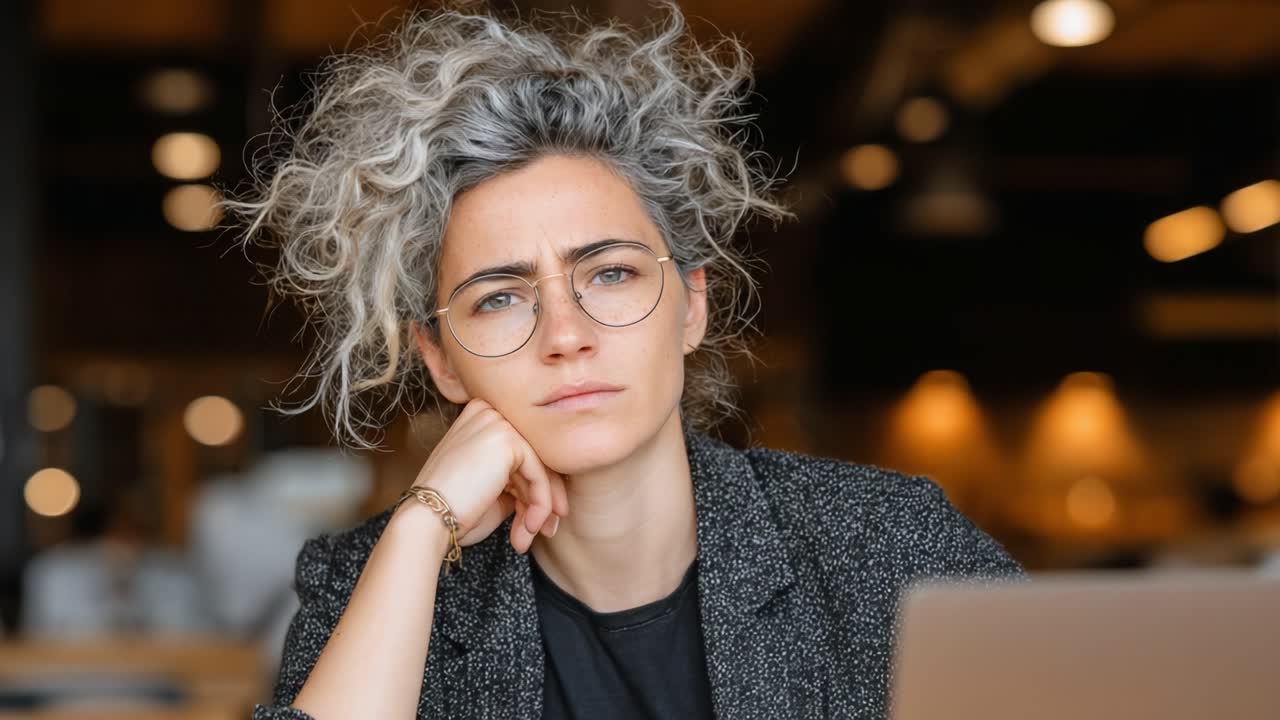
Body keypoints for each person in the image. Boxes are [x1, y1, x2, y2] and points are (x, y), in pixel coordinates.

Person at [232, 3, 1023, 718]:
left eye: (610, 273)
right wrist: (416, 530)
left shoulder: (883, 544)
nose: (566, 334)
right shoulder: (372, 581)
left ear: (692, 304)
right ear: (439, 361)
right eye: (500, 297)